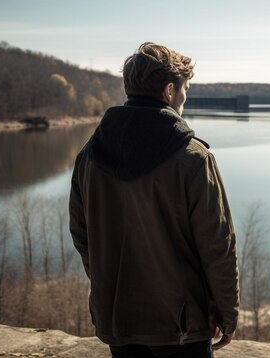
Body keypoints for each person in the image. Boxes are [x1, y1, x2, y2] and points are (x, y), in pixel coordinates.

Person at [69, 42, 239, 358]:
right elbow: (218, 245)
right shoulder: (193, 159)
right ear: (170, 90)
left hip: (118, 320)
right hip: (181, 327)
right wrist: (227, 314)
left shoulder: (89, 156)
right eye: (185, 89)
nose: (185, 97)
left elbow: (82, 236)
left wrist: (111, 285)